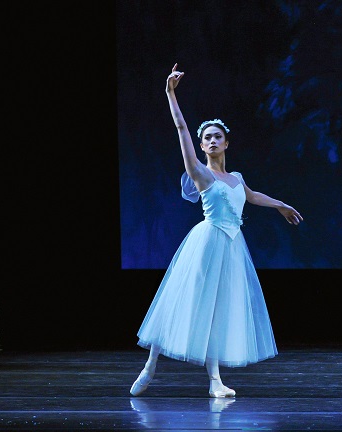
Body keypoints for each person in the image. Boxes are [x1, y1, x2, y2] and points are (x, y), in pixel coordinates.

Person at [130, 63, 304, 398]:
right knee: (182, 304)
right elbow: (181, 129)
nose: (211, 140)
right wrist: (170, 93)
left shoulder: (235, 177)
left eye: (217, 137)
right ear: (203, 145)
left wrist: (281, 204)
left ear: (226, 143)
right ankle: (149, 367)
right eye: (206, 137)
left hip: (232, 246)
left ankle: (215, 382)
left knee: (216, 310)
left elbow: (251, 196)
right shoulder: (201, 174)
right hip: (207, 243)